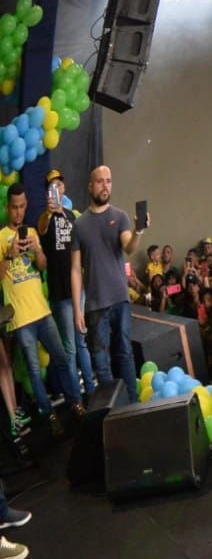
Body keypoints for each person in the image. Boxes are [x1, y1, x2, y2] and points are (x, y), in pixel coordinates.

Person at [1, 184, 82, 429]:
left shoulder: (34, 231)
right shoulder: (1, 236)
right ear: (7, 207)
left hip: (42, 310)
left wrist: (36, 250)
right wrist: (9, 254)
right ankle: (49, 415)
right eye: (14, 207)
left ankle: (75, 402)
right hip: (21, 318)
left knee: (61, 358)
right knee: (34, 371)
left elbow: (44, 266)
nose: (18, 212)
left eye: (22, 206)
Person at [71, 165, 143, 399]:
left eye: (109, 180)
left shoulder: (120, 216)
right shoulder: (79, 225)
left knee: (124, 354)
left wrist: (138, 231)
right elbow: (75, 270)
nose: (105, 185)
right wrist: (76, 309)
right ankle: (112, 410)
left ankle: (131, 403)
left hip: (120, 298)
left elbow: (128, 247)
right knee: (101, 362)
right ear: (90, 186)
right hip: (94, 303)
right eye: (100, 181)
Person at [37, 169, 94, 404]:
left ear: (64, 187)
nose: (56, 189)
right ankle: (75, 398)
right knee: (69, 347)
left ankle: (91, 390)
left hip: (77, 290)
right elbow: (40, 228)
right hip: (60, 293)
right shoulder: (44, 219)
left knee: (81, 341)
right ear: (47, 193)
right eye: (51, 187)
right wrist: (49, 214)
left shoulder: (73, 217)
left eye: (59, 185)